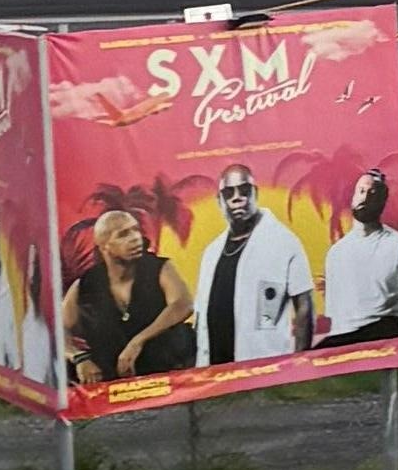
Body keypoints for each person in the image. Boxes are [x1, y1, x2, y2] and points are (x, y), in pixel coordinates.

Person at [188, 160, 317, 366]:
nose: (237, 198)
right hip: (213, 370)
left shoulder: (282, 242)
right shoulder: (211, 252)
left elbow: (303, 304)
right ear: (219, 200)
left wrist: (300, 360)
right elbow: (201, 315)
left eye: (244, 190)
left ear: (255, 193)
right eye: (229, 193)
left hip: (264, 363)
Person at [65, 195, 195, 388]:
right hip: (111, 387)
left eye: (136, 230)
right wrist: (79, 357)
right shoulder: (85, 285)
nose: (135, 238)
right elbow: (58, 332)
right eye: (123, 234)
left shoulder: (159, 267)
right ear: (104, 247)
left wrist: (138, 341)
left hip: (166, 378)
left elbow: (183, 304)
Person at [319, 166, 398, 350]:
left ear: (382, 201)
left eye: (373, 193)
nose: (365, 197)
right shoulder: (337, 253)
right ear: (353, 197)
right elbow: (334, 313)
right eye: (361, 191)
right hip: (345, 337)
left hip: (384, 332)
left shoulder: (397, 245)